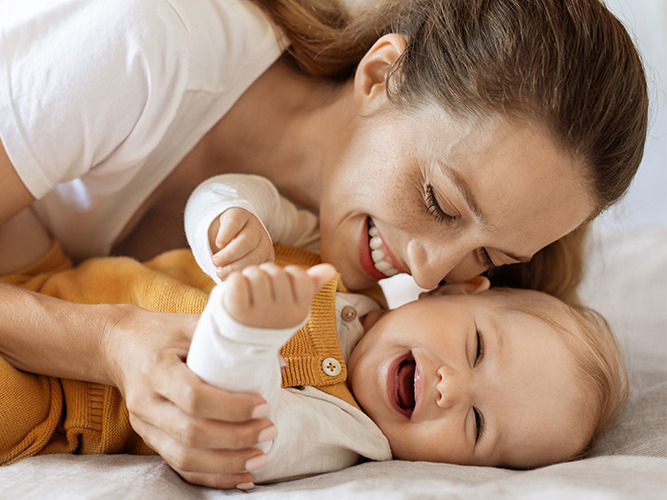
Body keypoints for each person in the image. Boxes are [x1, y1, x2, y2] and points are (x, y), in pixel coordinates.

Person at [0, 0, 648, 489]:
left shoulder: (360, 307)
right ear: (380, 75)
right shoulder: (146, 43)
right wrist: (108, 344)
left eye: (487, 257)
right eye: (440, 202)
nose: (428, 273)